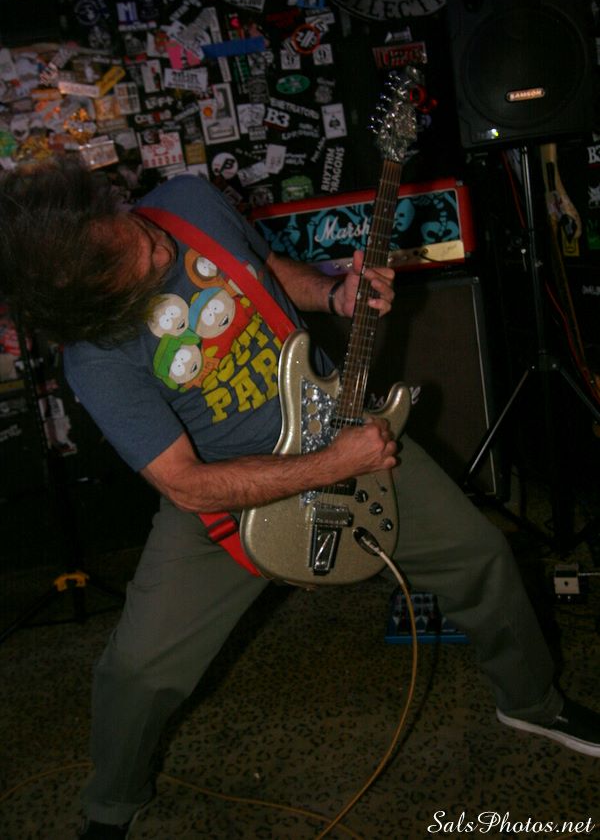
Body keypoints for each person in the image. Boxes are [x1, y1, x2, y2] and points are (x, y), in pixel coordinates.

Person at [0, 154, 598, 839]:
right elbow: (186, 484)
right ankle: (111, 804)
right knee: (136, 671)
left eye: (135, 229)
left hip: (336, 427)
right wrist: (327, 467)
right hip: (228, 490)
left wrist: (334, 293)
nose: (159, 249)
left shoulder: (186, 202)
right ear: (94, 305)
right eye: (139, 265)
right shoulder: (96, 359)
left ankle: (530, 700)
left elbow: (264, 269)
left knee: (482, 555)